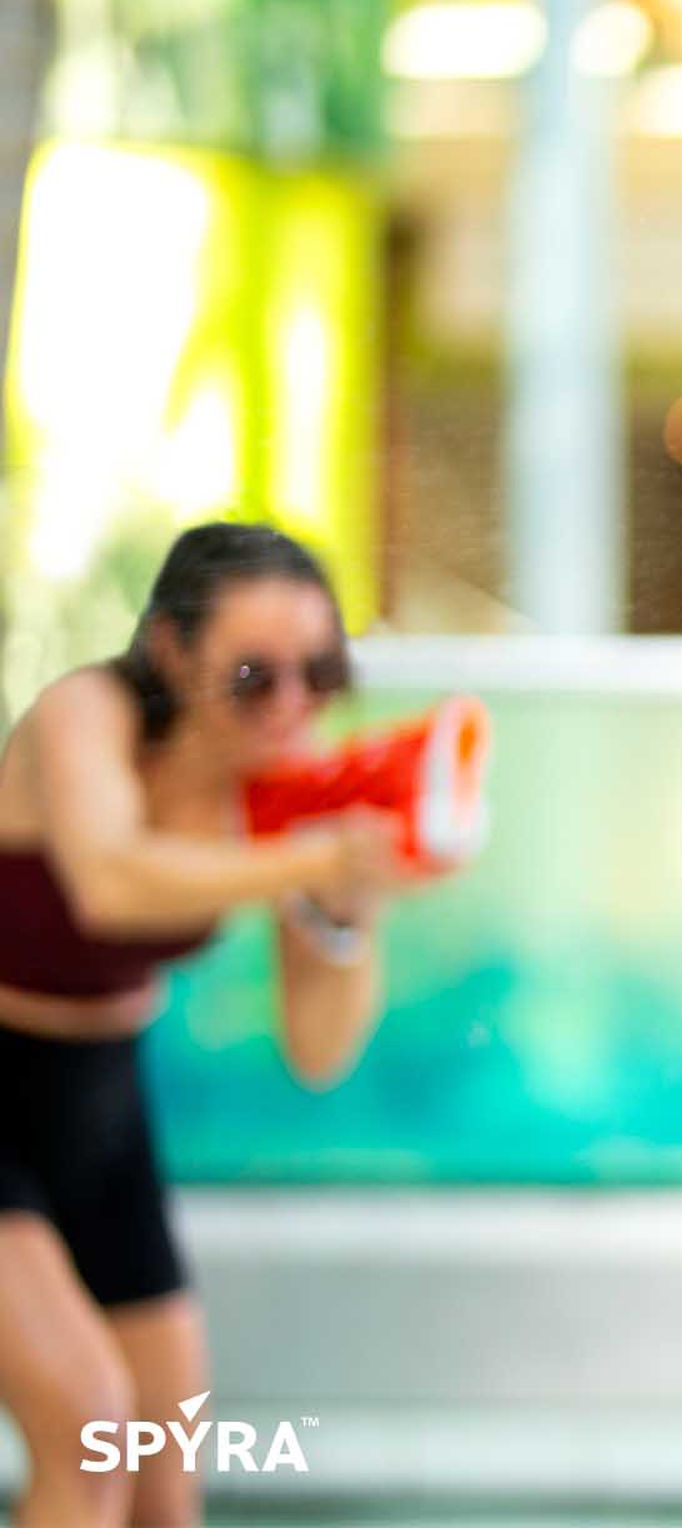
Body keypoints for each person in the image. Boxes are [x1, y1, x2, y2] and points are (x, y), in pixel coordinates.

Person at [0, 523, 422, 1526]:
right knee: (91, 1426)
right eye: (251, 675)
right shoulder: (85, 715)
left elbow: (317, 1052)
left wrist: (350, 912)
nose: (288, 706)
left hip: (99, 1101)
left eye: (318, 672)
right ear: (169, 653)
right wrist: (317, 859)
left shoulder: (281, 793)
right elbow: (109, 880)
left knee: (161, 1475)